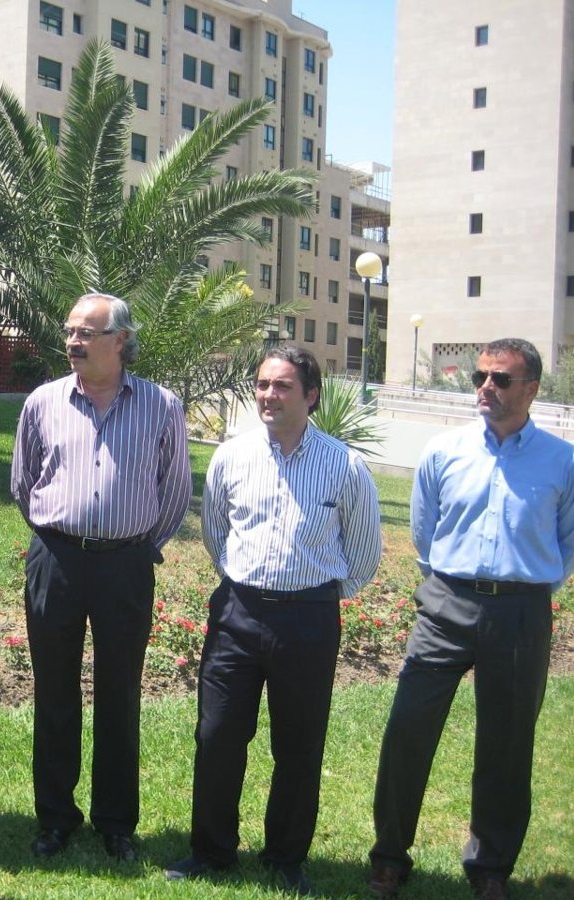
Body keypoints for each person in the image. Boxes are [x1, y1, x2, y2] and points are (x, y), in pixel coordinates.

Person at [368, 338, 574, 900]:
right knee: (408, 728)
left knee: (507, 744)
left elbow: (570, 542)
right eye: (480, 377)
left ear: (531, 389)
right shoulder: (444, 451)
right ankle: (389, 856)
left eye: (500, 379)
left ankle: (491, 867)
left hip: (520, 612)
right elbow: (425, 530)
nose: (486, 387)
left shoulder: (566, 463)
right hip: (446, 603)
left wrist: (524, 587)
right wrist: (449, 583)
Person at [165, 346, 381, 894]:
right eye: (263, 384)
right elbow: (216, 532)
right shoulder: (231, 456)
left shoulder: (345, 466)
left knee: (299, 744)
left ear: (312, 396)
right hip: (237, 613)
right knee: (217, 735)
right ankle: (212, 851)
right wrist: (246, 582)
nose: (268, 394)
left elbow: (363, 553)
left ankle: (285, 857)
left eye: (282, 386)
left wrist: (316, 596)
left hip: (309, 620)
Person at [10, 293, 193, 863]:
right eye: (69, 331)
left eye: (86, 333)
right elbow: (23, 483)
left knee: (120, 694)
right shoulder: (42, 402)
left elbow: (175, 490)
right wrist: (59, 535)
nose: (73, 341)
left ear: (120, 341)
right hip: (57, 561)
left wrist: (139, 546)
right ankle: (55, 818)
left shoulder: (162, 406)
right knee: (54, 692)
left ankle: (116, 823)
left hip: (125, 566)